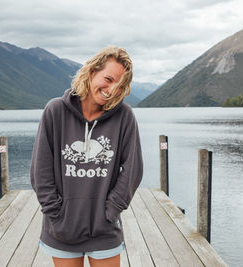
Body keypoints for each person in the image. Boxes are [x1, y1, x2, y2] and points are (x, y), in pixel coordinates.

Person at [30, 46, 143, 267]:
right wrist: (55, 213)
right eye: (108, 79)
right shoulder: (55, 111)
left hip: (104, 230)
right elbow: (40, 170)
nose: (111, 90)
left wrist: (110, 212)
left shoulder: (124, 117)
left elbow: (133, 169)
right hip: (62, 230)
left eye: (119, 86)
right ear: (92, 72)